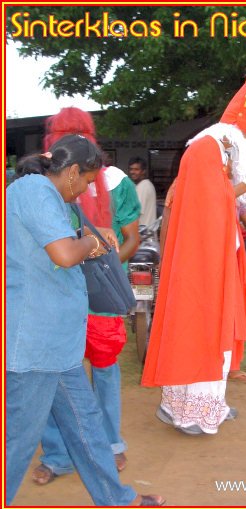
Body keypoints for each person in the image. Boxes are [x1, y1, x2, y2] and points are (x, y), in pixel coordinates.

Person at [141, 72, 246, 435]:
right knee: (200, 333)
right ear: (231, 135)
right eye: (245, 139)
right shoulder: (205, 150)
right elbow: (202, 203)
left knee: (219, 334)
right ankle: (191, 413)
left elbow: (243, 210)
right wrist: (245, 184)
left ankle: (208, 404)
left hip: (218, 262)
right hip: (199, 265)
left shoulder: (223, 155)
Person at [6, 134, 164, 506]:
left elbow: (53, 246)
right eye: (88, 182)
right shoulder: (35, 190)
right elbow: (63, 254)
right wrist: (93, 244)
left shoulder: (51, 198)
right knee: (17, 443)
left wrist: (87, 235)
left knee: (87, 427)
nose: (84, 191)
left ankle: (117, 499)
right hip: (36, 344)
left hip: (58, 343)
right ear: (73, 171)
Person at [32, 107, 141, 484]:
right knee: (55, 372)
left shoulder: (117, 182)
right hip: (56, 294)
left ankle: (109, 443)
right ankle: (59, 454)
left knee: (104, 369)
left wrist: (104, 264)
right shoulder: (40, 184)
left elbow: (131, 239)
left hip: (98, 295)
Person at [128, 157, 157, 226]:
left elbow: (134, 214)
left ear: (144, 171)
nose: (132, 172)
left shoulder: (143, 186)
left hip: (143, 234)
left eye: (136, 169)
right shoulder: (143, 185)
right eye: (131, 169)